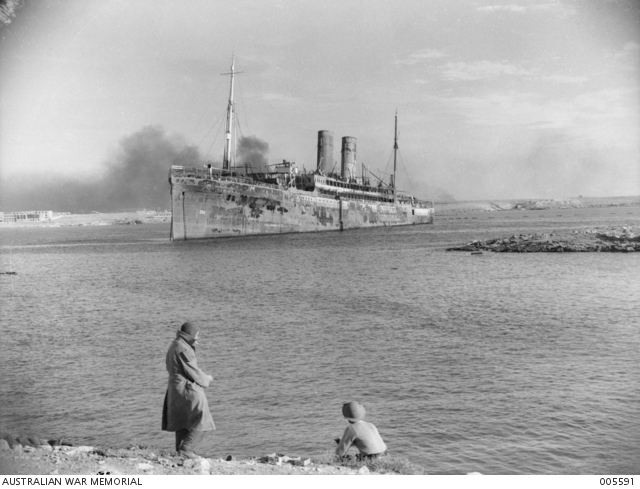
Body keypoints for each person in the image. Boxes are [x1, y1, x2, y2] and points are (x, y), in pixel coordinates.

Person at [161, 322, 215, 459]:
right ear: (190, 334)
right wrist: (207, 379)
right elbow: (193, 371)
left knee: (182, 421)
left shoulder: (175, 344)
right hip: (187, 389)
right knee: (203, 418)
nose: (198, 338)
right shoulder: (183, 348)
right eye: (197, 335)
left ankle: (180, 452)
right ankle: (186, 449)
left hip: (175, 388)